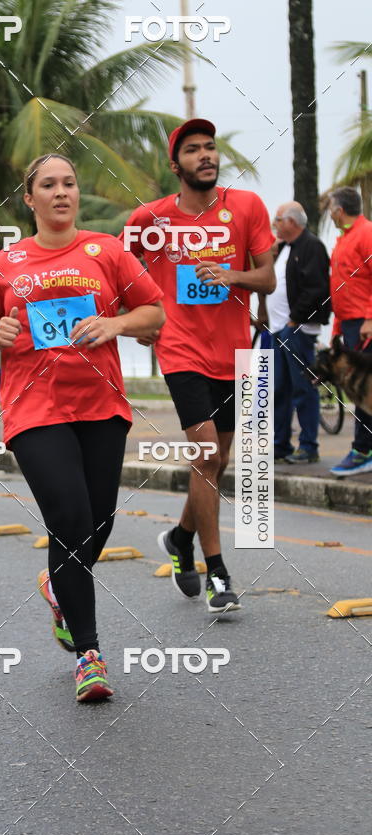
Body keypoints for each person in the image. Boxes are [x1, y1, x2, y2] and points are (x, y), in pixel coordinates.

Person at [0, 153, 164, 701]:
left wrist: (116, 322)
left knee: (98, 524)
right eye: (47, 185)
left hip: (101, 406)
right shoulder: (5, 263)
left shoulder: (108, 251)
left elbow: (154, 312)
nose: (60, 192)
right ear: (29, 199)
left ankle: (57, 586)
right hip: (35, 410)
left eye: (69, 183)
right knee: (70, 519)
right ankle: (89, 654)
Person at [121, 118, 275, 614]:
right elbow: (114, 274)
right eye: (193, 150)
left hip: (235, 353)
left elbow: (268, 280)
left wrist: (233, 274)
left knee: (217, 463)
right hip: (181, 350)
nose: (205, 155)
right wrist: (134, 319)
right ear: (176, 165)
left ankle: (181, 537)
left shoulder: (247, 206)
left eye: (210, 147)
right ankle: (218, 572)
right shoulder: (149, 220)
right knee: (206, 457)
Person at [267, 202, 330, 463]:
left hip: (298, 330)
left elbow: (316, 288)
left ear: (292, 222)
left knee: (303, 389)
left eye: (278, 219)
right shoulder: (283, 248)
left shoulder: (311, 246)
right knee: (279, 389)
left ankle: (308, 446)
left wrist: (294, 320)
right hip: (278, 329)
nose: (275, 224)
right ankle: (281, 445)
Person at [328, 186, 372, 476]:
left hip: (365, 323)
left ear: (339, 211)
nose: (329, 215)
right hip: (350, 324)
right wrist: (337, 328)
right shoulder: (343, 238)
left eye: (331, 209)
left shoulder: (366, 233)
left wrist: (370, 317)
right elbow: (343, 287)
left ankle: (362, 450)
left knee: (362, 388)